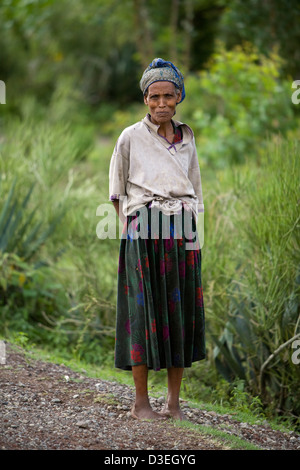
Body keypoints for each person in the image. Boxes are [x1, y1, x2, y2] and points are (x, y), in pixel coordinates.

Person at [109, 58, 205, 421]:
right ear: (145, 100)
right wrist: (130, 233)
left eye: (168, 95)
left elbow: (195, 190)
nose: (161, 103)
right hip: (143, 231)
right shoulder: (130, 137)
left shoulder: (188, 139)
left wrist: (194, 234)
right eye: (154, 97)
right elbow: (116, 193)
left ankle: (175, 404)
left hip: (182, 230)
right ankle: (140, 403)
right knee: (142, 314)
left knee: (178, 314)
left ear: (179, 96)